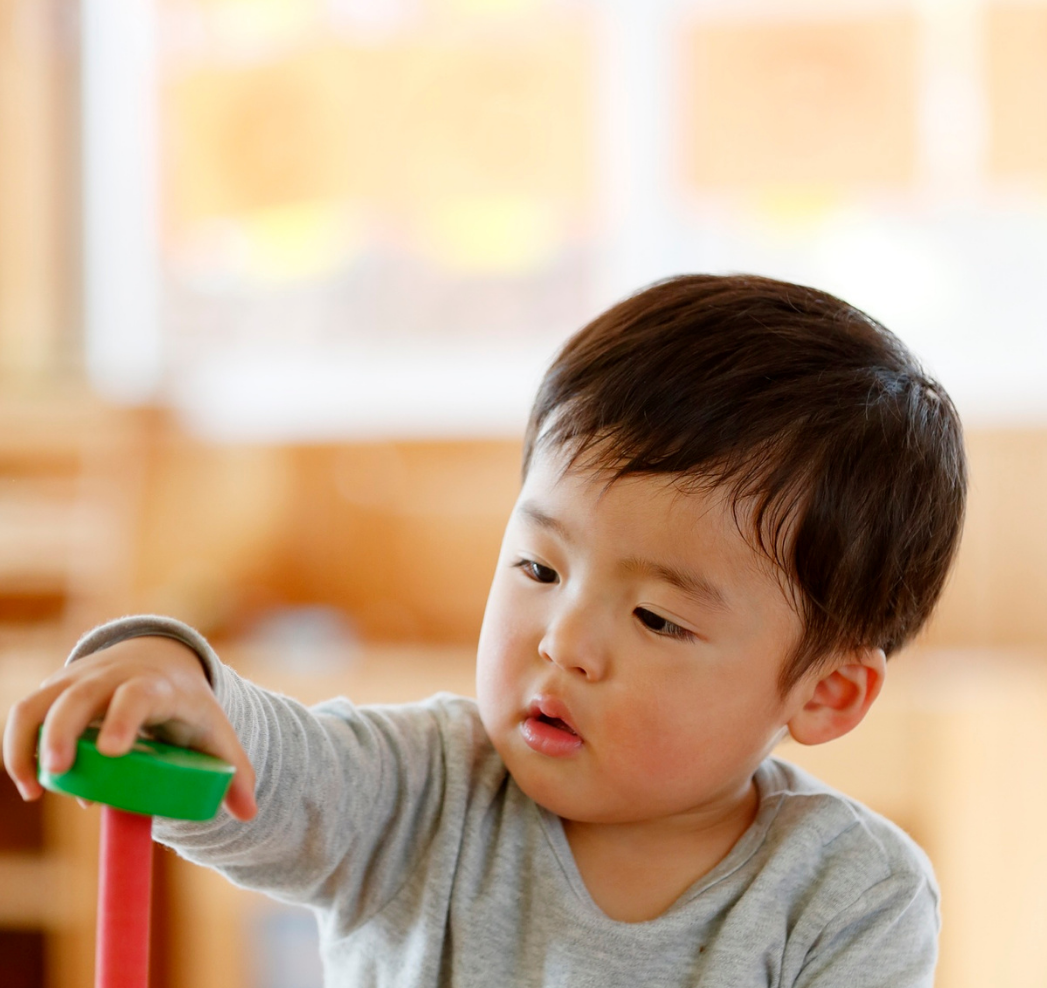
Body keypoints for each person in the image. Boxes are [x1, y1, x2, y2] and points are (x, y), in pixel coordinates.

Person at [3, 274, 966, 987]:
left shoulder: (849, 895)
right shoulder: (426, 790)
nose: (564, 641)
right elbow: (267, 765)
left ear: (824, 693)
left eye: (657, 618)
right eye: (540, 569)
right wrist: (169, 672)